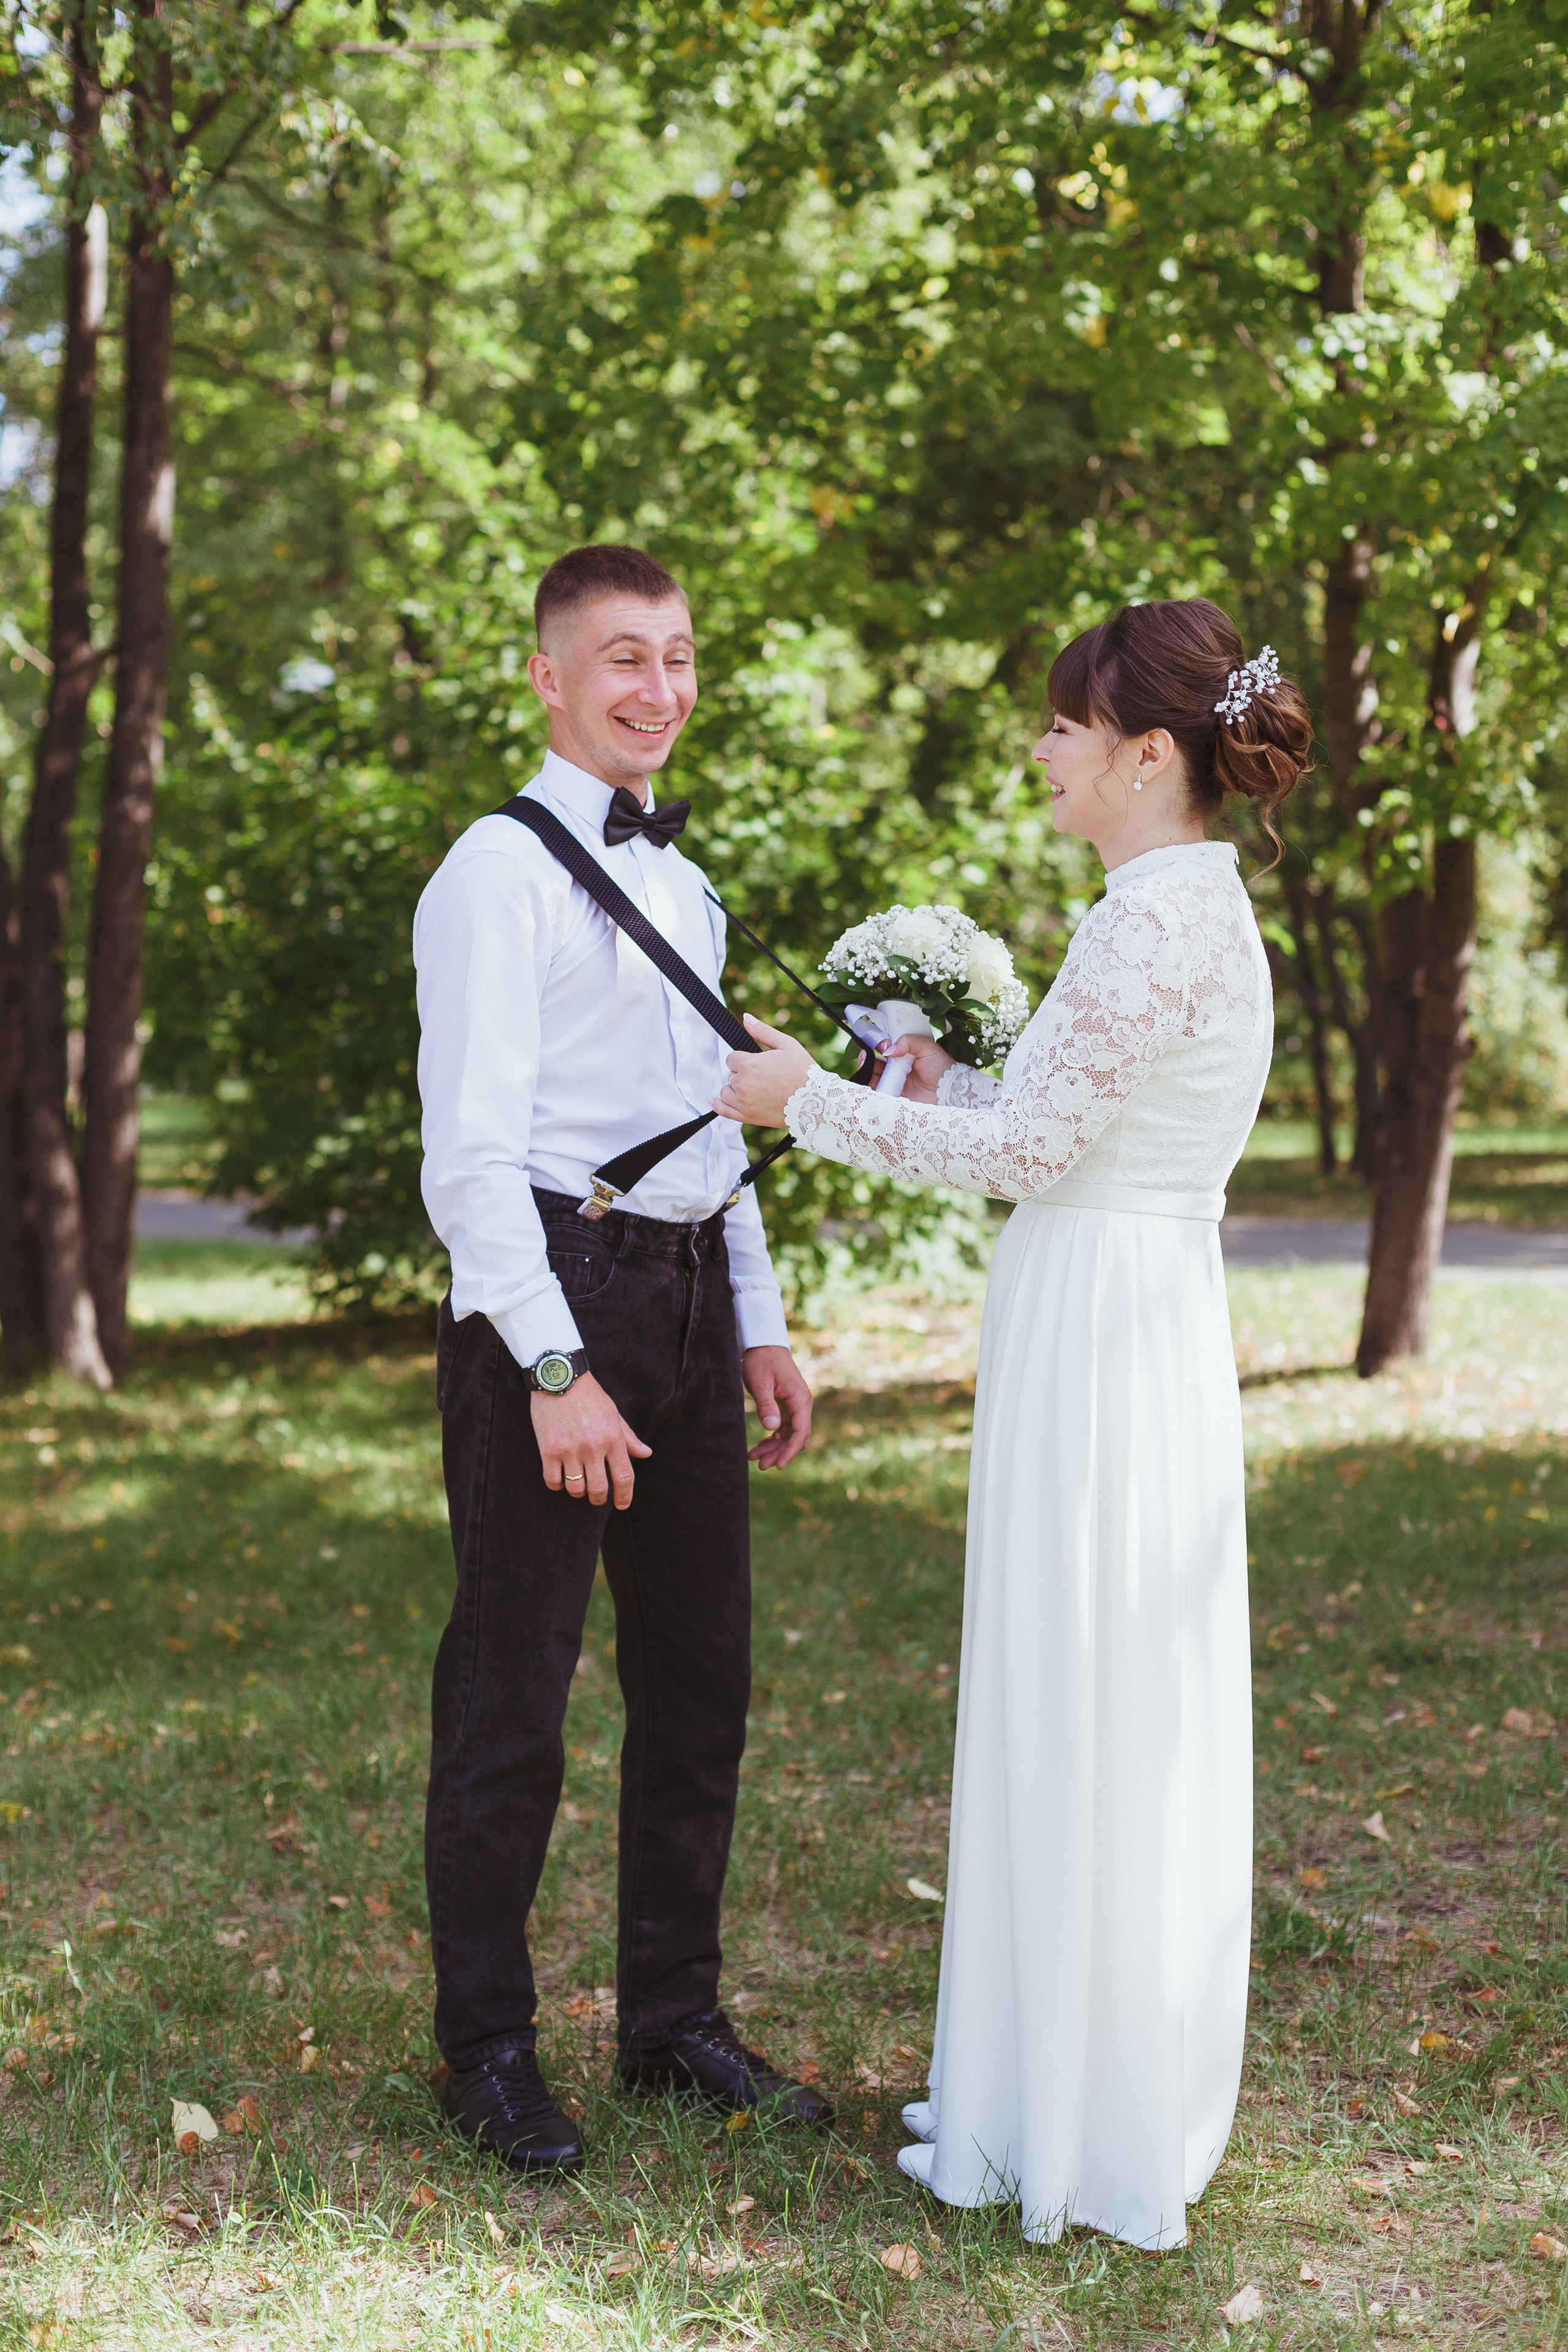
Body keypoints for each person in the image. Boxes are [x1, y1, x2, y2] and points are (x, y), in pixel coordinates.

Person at [714, 598, 1313, 2249]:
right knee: (1096, 1694)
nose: (1041, 751)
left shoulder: (1149, 922)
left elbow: (1032, 1162)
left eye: (1064, 725)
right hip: (1126, 1318)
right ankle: (1062, 2078)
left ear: (1147, 753)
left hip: (1104, 1337)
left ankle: (1069, 2112)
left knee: (1084, 1694)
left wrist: (804, 1107)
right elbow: (1049, 1126)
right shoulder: (1184, 905)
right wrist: (922, 1077)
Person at [413, 541, 826, 2174]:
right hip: (550, 1298)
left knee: (699, 1688)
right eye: (621, 660)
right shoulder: (493, 875)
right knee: (513, 1697)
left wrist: (759, 1319)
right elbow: (467, 1159)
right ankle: (489, 2052)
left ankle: (671, 2023)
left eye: (677, 654)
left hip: (682, 1294)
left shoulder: (683, 875)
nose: (658, 688)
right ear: (548, 678)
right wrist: (551, 1368)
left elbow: (717, 1119)